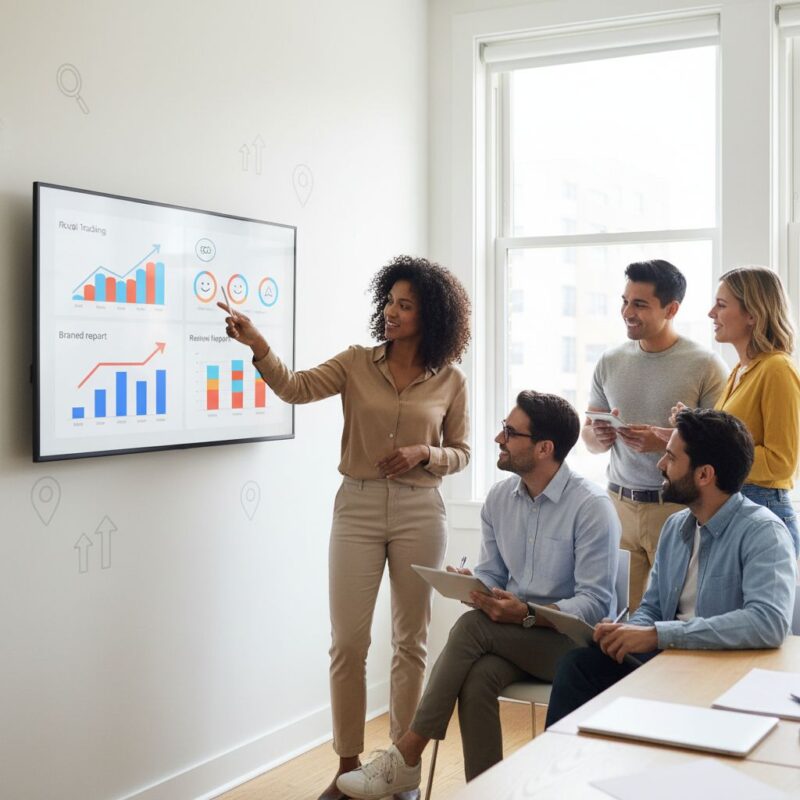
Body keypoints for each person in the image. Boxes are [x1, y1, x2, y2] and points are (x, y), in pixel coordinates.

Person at [220, 255, 471, 800]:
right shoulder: (357, 362)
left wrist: (424, 453)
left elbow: (462, 452)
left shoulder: (451, 380)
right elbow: (295, 387)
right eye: (390, 302)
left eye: (406, 306)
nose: (392, 313)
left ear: (431, 316)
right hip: (357, 506)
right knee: (349, 643)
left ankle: (401, 768)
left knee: (410, 642)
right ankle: (347, 765)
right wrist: (258, 345)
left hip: (421, 510)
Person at [335, 391, 621, 799]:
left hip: (573, 646)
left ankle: (407, 755)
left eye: (510, 433)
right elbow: (494, 574)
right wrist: (474, 584)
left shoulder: (591, 506)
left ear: (545, 448)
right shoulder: (500, 499)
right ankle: (485, 792)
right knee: (478, 677)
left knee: (472, 629)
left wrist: (527, 612)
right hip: (516, 638)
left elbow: (594, 604)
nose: (498, 438)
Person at [545, 408, 797, 727]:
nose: (660, 465)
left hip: (727, 672)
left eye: (671, 457)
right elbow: (652, 608)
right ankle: (563, 756)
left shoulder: (763, 532)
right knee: (579, 665)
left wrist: (658, 635)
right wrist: (628, 633)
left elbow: (767, 622)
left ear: (704, 475)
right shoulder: (676, 526)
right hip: (670, 662)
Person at [584, 260, 728, 610]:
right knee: (622, 619)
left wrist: (663, 440)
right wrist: (599, 437)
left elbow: (721, 446)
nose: (627, 312)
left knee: (673, 617)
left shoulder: (705, 365)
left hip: (677, 509)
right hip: (619, 507)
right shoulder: (609, 361)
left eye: (639, 304)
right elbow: (587, 436)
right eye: (624, 301)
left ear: (671, 309)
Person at [674, 267, 800, 554]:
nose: (711, 313)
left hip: (762, 507)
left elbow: (782, 462)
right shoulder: (739, 371)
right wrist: (693, 429)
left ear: (752, 314)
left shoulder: (777, 369)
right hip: (733, 505)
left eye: (721, 305)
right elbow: (732, 441)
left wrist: (717, 455)